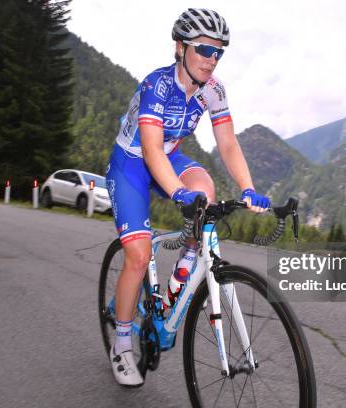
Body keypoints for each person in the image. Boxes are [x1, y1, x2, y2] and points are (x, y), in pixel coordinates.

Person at [105, 8, 271, 387]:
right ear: (179, 47)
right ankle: (123, 341)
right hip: (132, 163)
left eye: (218, 53)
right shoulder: (157, 85)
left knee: (206, 194)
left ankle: (180, 282)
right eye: (203, 49)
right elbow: (150, 150)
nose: (211, 60)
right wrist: (178, 192)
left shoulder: (213, 90)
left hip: (170, 156)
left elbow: (227, 143)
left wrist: (248, 188)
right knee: (138, 253)